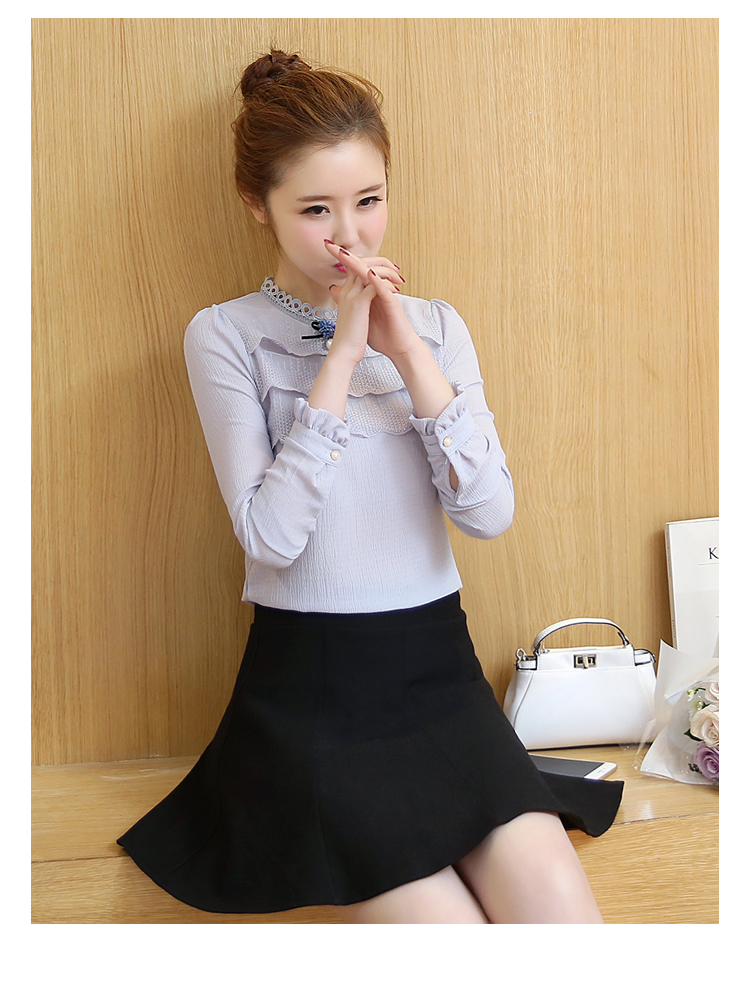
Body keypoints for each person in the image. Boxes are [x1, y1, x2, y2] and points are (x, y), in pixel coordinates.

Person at [117, 49, 623, 924]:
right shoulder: (226, 336)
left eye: (369, 200)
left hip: (443, 683)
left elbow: (489, 513)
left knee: (564, 923)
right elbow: (271, 539)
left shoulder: (437, 326)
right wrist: (342, 358)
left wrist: (408, 351)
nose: (349, 236)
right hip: (315, 703)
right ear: (258, 205)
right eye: (315, 210)